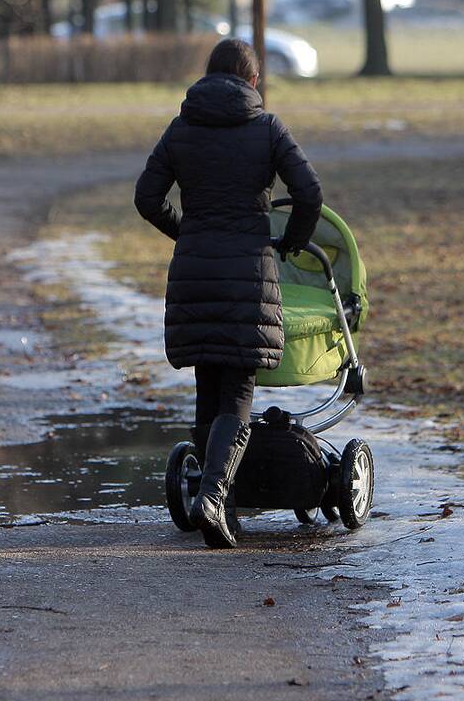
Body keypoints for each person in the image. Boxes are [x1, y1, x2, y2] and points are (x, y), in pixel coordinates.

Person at [134, 39, 323, 549]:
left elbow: (146, 197)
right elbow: (309, 194)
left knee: (208, 384)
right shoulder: (267, 128)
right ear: (254, 82)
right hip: (247, 268)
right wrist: (291, 243)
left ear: (209, 75)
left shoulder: (182, 127)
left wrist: (186, 232)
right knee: (237, 390)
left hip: (195, 268)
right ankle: (215, 498)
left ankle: (220, 506)